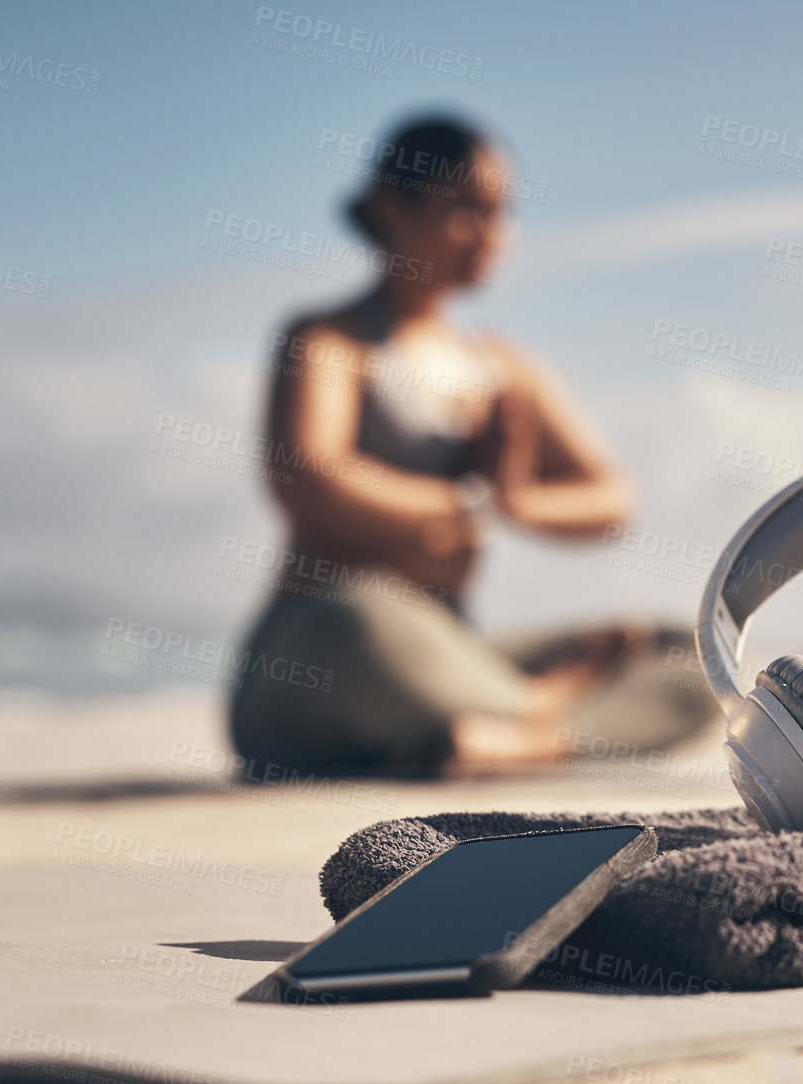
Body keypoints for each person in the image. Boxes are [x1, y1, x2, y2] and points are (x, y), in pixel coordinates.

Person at [228, 114, 715, 781]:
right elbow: (308, 478)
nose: (491, 233)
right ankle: (542, 710)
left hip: (456, 648)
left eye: (501, 211)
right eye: (465, 209)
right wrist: (464, 502)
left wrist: (516, 501)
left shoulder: (500, 366)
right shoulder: (328, 342)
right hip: (329, 652)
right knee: (364, 617)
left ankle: (503, 736)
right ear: (391, 208)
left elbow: (610, 499)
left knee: (689, 655)